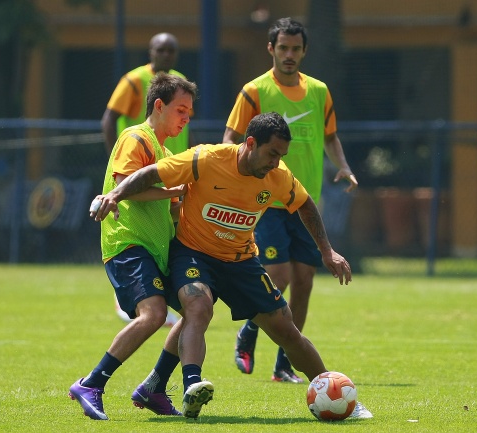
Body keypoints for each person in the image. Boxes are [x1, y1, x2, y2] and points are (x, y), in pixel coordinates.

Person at [90, 112, 373, 420]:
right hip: (194, 253)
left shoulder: (278, 176)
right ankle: (192, 385)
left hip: (241, 261)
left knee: (286, 331)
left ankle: (335, 391)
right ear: (250, 143)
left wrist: (327, 251)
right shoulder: (206, 158)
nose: (276, 162)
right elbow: (151, 173)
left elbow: (304, 204)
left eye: (281, 156)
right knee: (197, 306)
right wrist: (114, 194)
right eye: (272, 154)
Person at [222, 17, 358, 383]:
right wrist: (232, 178)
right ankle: (249, 330)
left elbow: (330, 137)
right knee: (278, 275)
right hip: (265, 199)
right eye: (283, 48)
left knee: (304, 280)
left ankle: (284, 363)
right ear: (271, 48)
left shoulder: (319, 91)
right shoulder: (254, 90)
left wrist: (344, 167)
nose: (289, 55)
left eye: (296, 49)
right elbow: (230, 138)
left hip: (305, 201)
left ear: (304, 51)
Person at [68, 73, 198, 420]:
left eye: (190, 112)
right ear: (159, 106)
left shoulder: (166, 152)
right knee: (154, 315)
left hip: (156, 250)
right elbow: (125, 185)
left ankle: (155, 386)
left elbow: (170, 206)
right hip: (128, 242)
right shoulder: (135, 137)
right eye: (181, 110)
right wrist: (175, 191)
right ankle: (91, 384)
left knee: (196, 310)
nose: (187, 118)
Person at [101, 31, 188, 326]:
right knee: (135, 236)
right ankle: (138, 299)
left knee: (167, 237)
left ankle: (157, 302)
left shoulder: (180, 82)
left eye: (170, 51)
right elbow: (109, 119)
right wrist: (117, 164)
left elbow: (184, 128)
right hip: (139, 167)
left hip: (170, 163)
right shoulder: (134, 80)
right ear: (150, 52)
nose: (165, 55)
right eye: (160, 50)